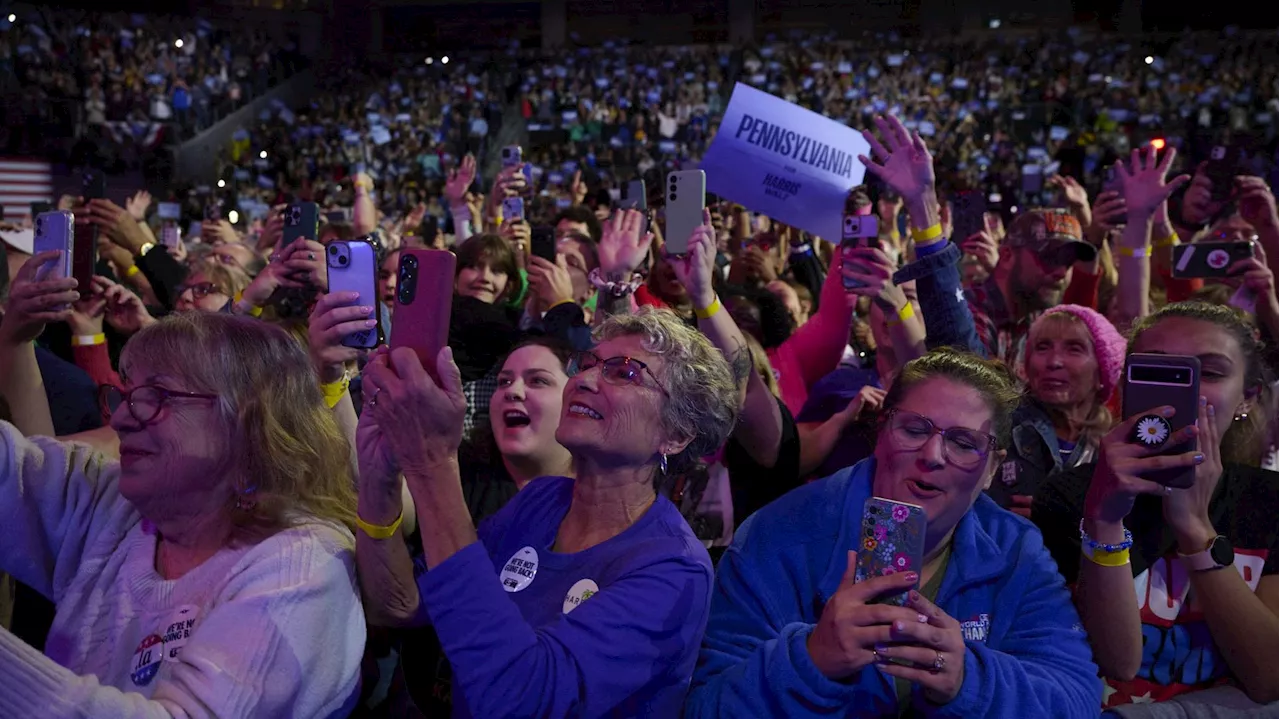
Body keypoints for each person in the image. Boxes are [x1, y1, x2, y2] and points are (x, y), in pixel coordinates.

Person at [355, 307, 739, 717]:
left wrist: (431, 461)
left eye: (624, 372)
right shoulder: (541, 500)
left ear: (676, 435)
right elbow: (399, 604)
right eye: (588, 363)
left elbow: (519, 700)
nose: (585, 380)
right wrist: (379, 481)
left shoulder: (673, 568)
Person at [687, 348, 1101, 718]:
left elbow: (1077, 700)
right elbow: (707, 707)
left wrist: (968, 679)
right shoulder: (780, 536)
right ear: (881, 434)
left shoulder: (1015, 549)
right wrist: (811, 663)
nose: (932, 456)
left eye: (963, 442)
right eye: (915, 429)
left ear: (993, 467)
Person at [0, 310, 365, 717]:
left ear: (247, 419)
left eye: (156, 396)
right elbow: (11, 468)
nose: (121, 418)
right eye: (127, 393)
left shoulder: (301, 568)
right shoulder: (122, 508)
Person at [1033, 301, 1280, 712]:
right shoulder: (1069, 496)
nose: (1183, 392)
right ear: (1126, 386)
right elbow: (1116, 663)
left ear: (1247, 397)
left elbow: (1269, 676)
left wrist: (1195, 528)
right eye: (1156, 371)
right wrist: (1105, 517)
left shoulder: (1268, 500)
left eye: (1211, 373)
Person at [989, 304, 1126, 516]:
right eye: (1043, 347)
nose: (1054, 362)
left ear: (1103, 371)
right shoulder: (1000, 426)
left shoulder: (1117, 449)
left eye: (1074, 348)